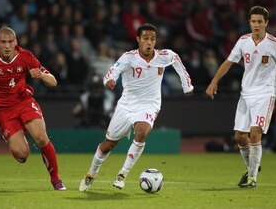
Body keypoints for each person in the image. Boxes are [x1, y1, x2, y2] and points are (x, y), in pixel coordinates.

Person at [79, 23, 194, 191]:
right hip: (126, 105)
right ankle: (91, 174)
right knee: (107, 145)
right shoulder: (128, 57)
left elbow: (178, 63)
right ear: (138, 39)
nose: (149, 42)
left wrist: (187, 86)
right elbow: (112, 72)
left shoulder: (165, 56)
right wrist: (109, 81)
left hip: (149, 104)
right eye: (146, 38)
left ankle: (122, 174)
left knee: (142, 133)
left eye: (153, 39)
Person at [0, 27, 66, 191]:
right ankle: (17, 147)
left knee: (40, 137)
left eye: (10, 42)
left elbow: (53, 81)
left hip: (24, 102)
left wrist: (42, 75)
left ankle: (56, 180)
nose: (7, 46)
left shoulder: (26, 57)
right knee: (22, 153)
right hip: (3, 110)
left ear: (16, 43)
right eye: (3, 42)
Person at [205, 6, 276, 188]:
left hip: (266, 93)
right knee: (240, 137)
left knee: (255, 132)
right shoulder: (243, 41)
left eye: (260, 21)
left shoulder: (274, 43)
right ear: (249, 23)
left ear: (266, 23)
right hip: (246, 94)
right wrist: (214, 81)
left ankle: (252, 178)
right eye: (253, 21)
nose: (256, 25)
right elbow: (229, 62)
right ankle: (252, 167)